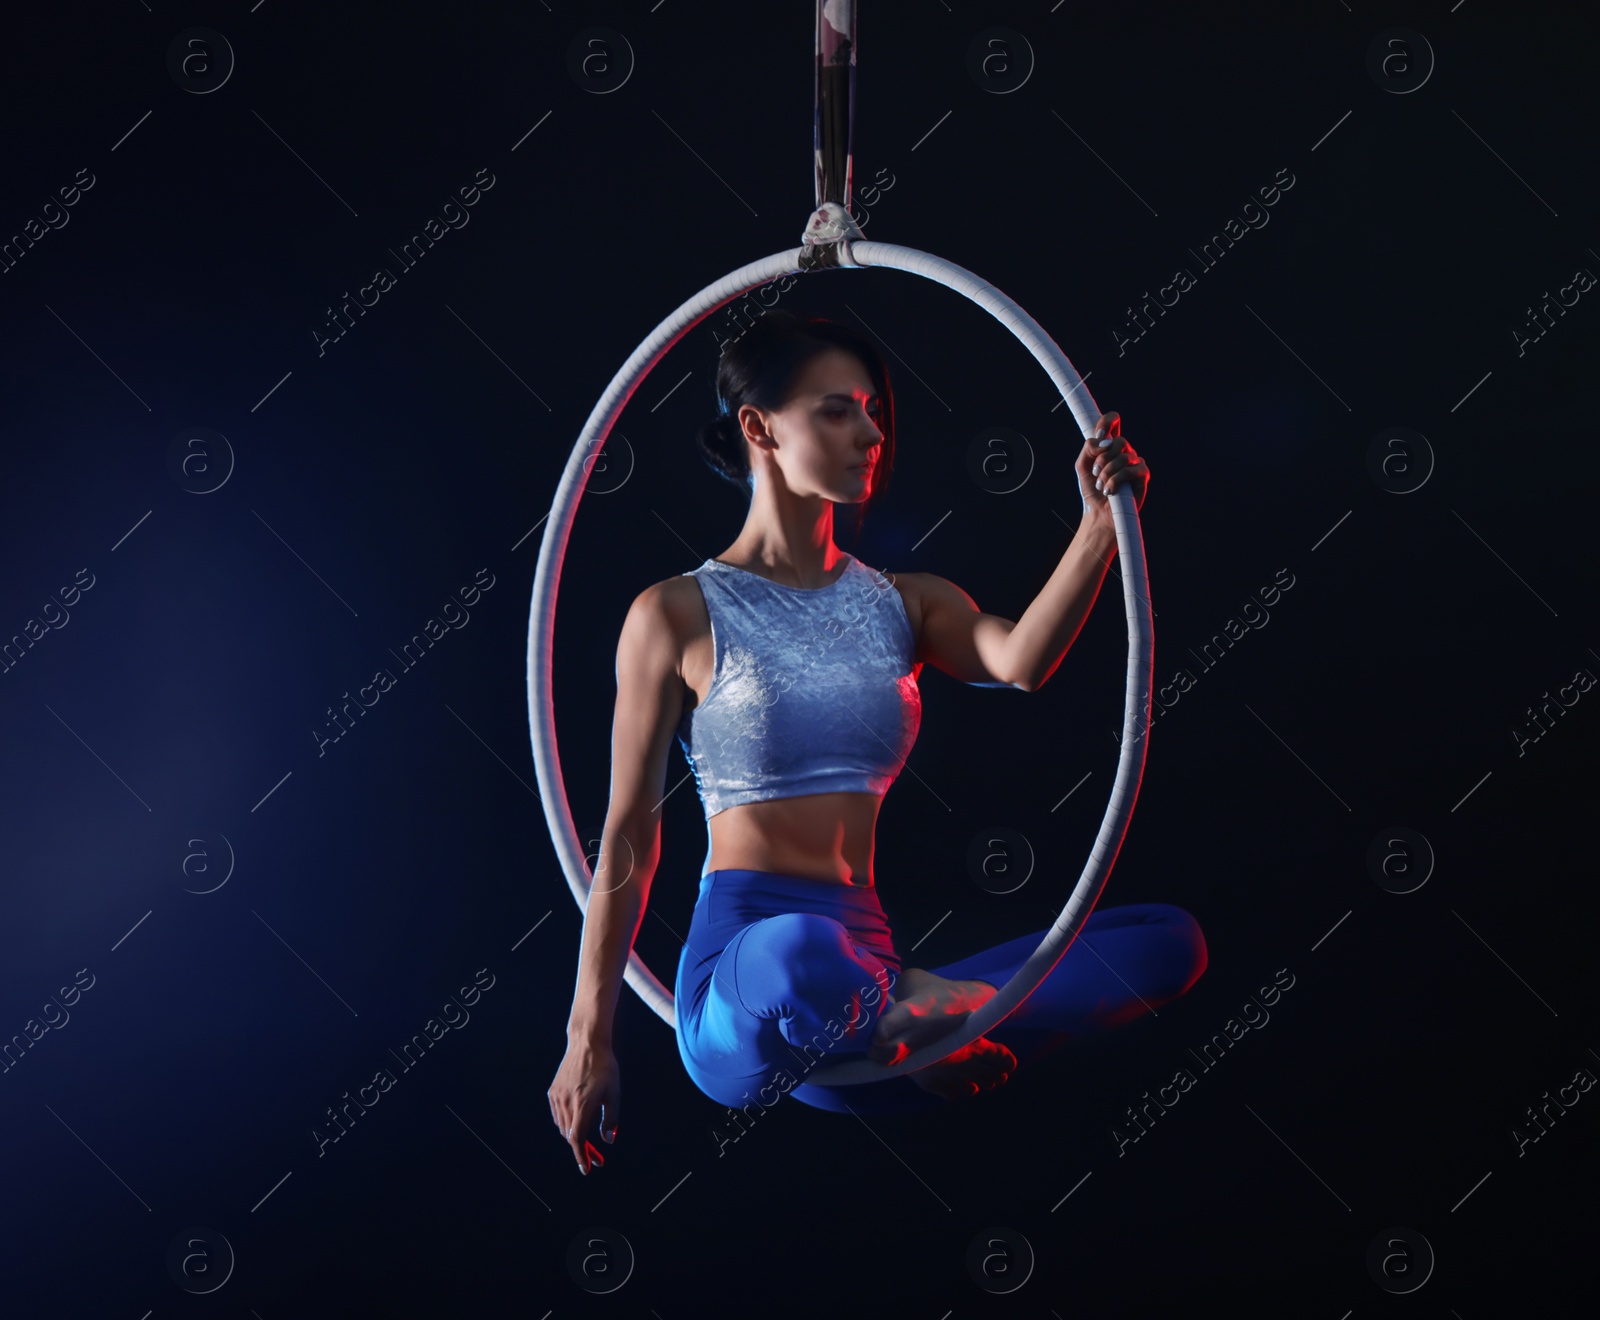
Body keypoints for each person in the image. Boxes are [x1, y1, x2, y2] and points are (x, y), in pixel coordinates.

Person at [547, 309, 1207, 1175]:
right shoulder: (673, 614)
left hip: (862, 986)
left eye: (873, 412)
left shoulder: (907, 602)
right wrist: (588, 1034)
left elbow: (1019, 662)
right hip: (751, 992)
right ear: (759, 427)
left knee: (1169, 942)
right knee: (799, 952)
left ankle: (908, 1013)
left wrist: (1097, 524)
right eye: (836, 410)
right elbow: (629, 831)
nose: (870, 433)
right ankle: (911, 1011)